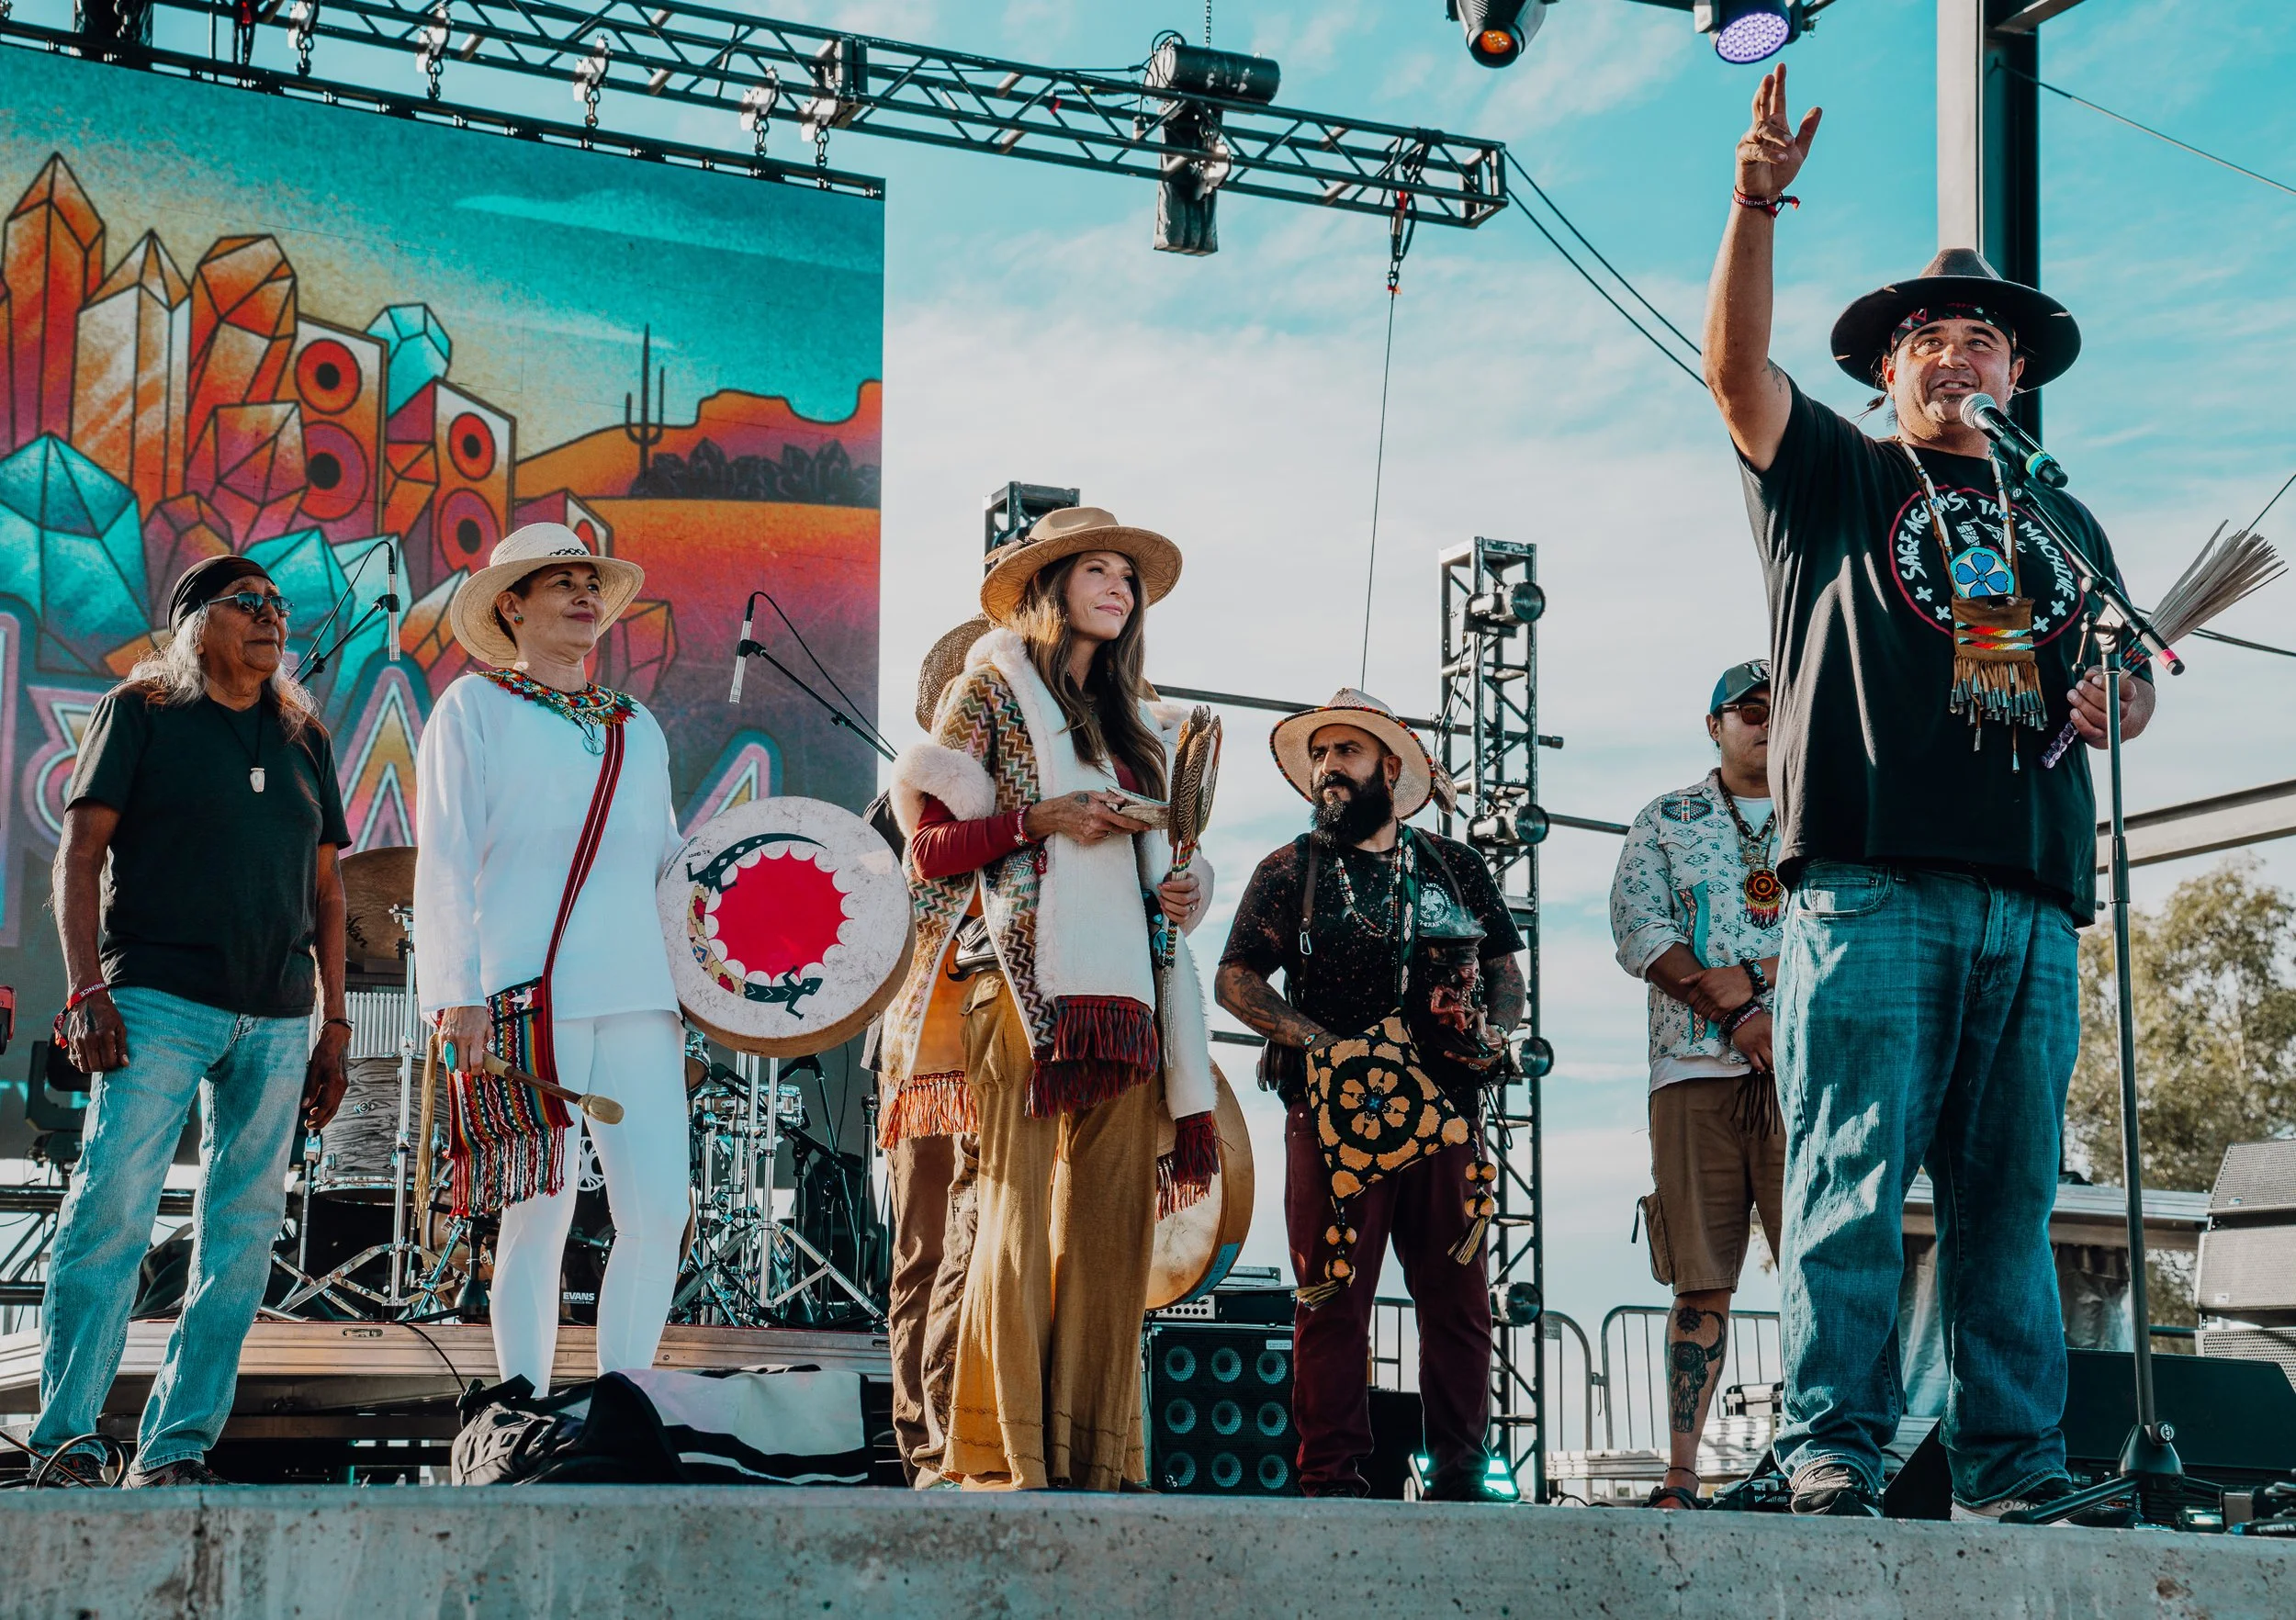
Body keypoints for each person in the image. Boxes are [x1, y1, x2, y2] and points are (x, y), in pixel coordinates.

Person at [1704, 67, 2155, 1522]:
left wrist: (2116, 698)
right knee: (1849, 1175)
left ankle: (2013, 1464)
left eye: (1986, 343)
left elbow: (2122, 680)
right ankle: (1829, 1443)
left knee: (2008, 1204)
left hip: (2029, 898)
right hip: (1874, 879)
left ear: (2020, 377)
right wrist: (1755, 201)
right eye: (1934, 342)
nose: (1962, 359)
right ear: (1888, 370)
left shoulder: (2059, 515)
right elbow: (1733, 373)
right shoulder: (1834, 469)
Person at [876, 506, 1216, 1491]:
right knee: (1015, 1218)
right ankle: (998, 1452)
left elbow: (1163, 871)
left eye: (1127, 575)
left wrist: (1187, 892)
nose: (1118, 586)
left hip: (1128, 1000)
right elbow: (926, 851)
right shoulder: (984, 692)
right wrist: (1040, 817)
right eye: (1096, 570)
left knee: (1112, 1235)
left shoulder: (1137, 723)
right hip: (1015, 993)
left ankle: (1092, 1459)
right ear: (1049, 585)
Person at [33, 555, 352, 1488]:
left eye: (278, 606)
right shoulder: (140, 713)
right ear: (193, 624)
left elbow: (329, 889)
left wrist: (334, 1029)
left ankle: (176, 1449)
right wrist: (87, 990)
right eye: (244, 603)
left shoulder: (304, 736)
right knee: (112, 1214)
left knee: (242, 1238)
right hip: (156, 1003)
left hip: (279, 1016)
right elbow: (80, 855)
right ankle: (67, 1441)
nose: (270, 617)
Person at [1216, 691, 1525, 1502]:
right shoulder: (1288, 870)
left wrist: (1489, 1036)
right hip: (1327, 1116)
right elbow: (1234, 977)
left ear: (1391, 766)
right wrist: (1324, 1046)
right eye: (1320, 756)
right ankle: (1331, 1477)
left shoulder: (1457, 865)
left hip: (1448, 1115)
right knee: (1331, 1299)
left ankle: (1462, 1472)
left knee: (1457, 1301)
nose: (1329, 771)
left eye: (1347, 753)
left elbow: (1504, 974)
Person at [414, 523, 689, 1394]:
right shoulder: (473, 707)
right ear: (512, 605)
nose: (584, 596)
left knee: (660, 1211)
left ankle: (625, 1403)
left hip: (644, 993)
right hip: (525, 995)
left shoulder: (637, 725)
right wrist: (457, 993)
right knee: (540, 1210)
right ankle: (522, 1403)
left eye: (591, 583)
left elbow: (668, 859)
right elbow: (446, 856)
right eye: (559, 582)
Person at [1608, 659, 1786, 1511]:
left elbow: (1857, 923)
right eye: (1747, 710)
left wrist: (1754, 980)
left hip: (1806, 1073)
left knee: (1823, 1270)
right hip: (1690, 1073)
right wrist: (1731, 1016)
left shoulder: (1828, 810)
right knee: (1700, 1277)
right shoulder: (1665, 819)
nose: (1764, 722)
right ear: (1713, 724)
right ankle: (1682, 1471)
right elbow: (1640, 927)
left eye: (1777, 709)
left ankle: (1826, 1456)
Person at [878, 613, 987, 1487]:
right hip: (930, 1050)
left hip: (1022, 1046)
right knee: (927, 1245)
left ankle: (991, 1433)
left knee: (1001, 1244)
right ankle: (926, 1446)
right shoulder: (902, 799)